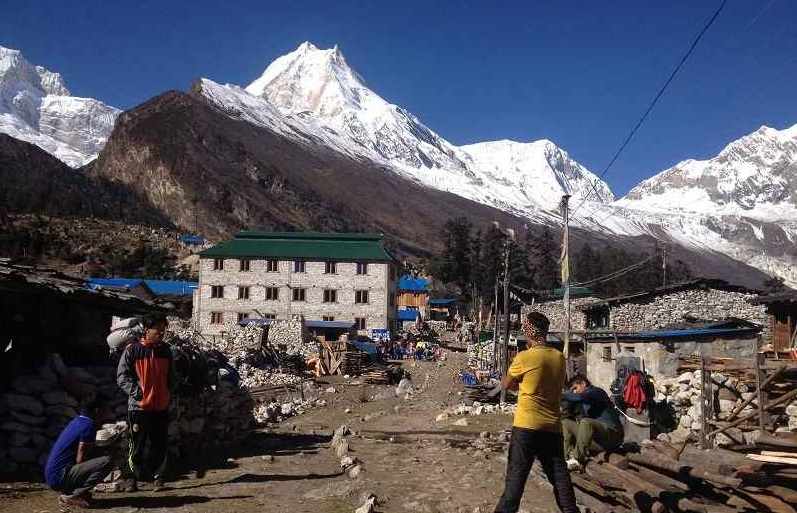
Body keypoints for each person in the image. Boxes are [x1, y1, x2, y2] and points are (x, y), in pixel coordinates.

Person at [493, 312, 579, 513]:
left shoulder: (525, 357)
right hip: (552, 426)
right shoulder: (559, 358)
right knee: (560, 477)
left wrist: (519, 383)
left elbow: (506, 384)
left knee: (515, 481)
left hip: (527, 426)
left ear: (529, 330)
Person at [117, 313, 174, 491]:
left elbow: (171, 377)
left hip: (160, 406)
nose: (161, 332)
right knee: (136, 444)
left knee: (160, 443)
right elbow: (122, 377)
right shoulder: (132, 350)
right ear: (146, 329)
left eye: (163, 329)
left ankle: (158, 477)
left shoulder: (166, 350)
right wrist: (139, 394)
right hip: (139, 407)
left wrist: (169, 392)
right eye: (158, 328)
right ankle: (131, 478)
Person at [44, 398, 114, 510]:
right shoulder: (89, 426)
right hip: (60, 476)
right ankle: (73, 496)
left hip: (54, 475)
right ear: (97, 410)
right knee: (107, 461)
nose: (108, 411)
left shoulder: (78, 421)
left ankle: (73, 492)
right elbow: (80, 459)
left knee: (100, 459)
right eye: (105, 409)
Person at [561, 375, 624, 471]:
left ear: (583, 384)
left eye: (575, 388)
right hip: (596, 440)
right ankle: (566, 457)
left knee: (586, 422)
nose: (575, 391)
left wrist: (561, 394)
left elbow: (579, 397)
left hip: (612, 436)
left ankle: (577, 460)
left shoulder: (597, 392)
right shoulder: (581, 400)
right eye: (572, 390)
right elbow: (567, 411)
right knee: (565, 422)